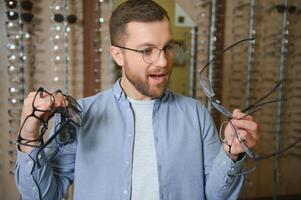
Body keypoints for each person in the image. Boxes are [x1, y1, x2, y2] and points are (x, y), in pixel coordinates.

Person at [15, 0, 260, 199]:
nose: (163, 61)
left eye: (167, 48)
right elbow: (43, 196)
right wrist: (29, 136)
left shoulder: (196, 114)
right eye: (147, 50)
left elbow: (215, 195)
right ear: (118, 55)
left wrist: (232, 153)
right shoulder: (81, 115)